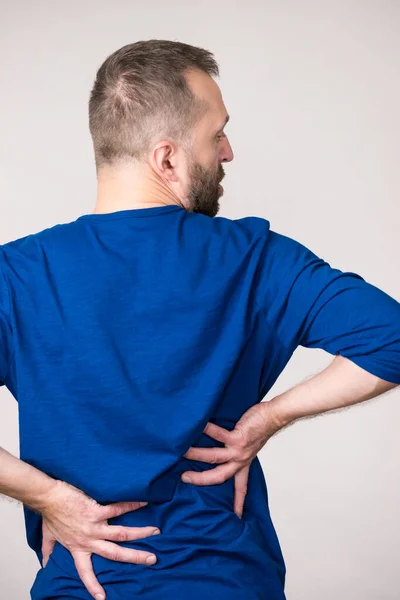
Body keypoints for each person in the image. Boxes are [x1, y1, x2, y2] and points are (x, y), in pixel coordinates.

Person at [0, 39, 399, 600]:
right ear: (166, 158)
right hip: (226, 579)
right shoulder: (255, 256)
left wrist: (46, 497)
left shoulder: (15, 274)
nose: (228, 151)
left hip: (85, 586)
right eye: (217, 134)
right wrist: (270, 417)